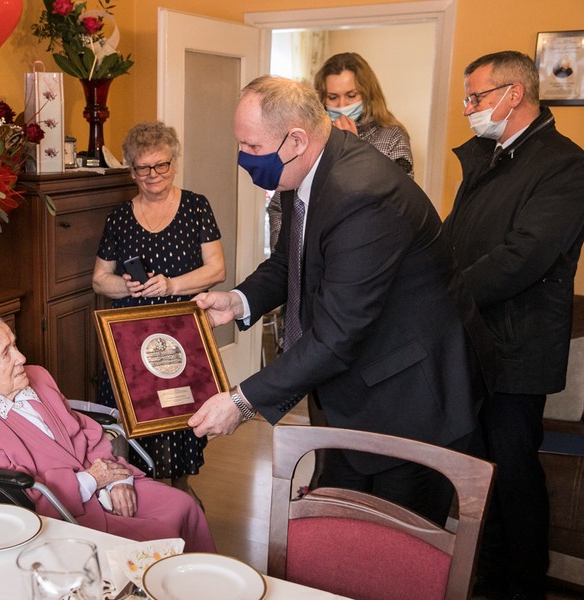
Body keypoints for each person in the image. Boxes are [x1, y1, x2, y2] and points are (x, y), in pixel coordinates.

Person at [188, 75, 497, 525]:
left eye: (251, 147)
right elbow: (291, 262)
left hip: (409, 400)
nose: (243, 159)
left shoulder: (361, 195)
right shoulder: (310, 170)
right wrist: (238, 301)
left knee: (396, 549)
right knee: (337, 525)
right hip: (352, 392)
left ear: (295, 140)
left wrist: (240, 401)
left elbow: (336, 336)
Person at [443, 51, 584, 600]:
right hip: (475, 339)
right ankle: (486, 573)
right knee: (480, 470)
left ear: (514, 95)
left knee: (513, 472)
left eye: (476, 98)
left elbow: (524, 256)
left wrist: (445, 295)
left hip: (517, 348)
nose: (469, 109)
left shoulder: (565, 165)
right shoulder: (492, 156)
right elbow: (457, 236)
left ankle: (521, 585)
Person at [0, 314, 216, 552]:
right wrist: (91, 480)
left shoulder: (37, 376)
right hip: (61, 508)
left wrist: (117, 479)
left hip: (101, 482)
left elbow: (85, 431)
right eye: (6, 352)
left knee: (184, 505)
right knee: (158, 537)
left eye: (14, 345)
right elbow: (15, 488)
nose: (21, 357)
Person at [91, 121, 225, 497]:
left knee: (179, 414)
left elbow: (217, 269)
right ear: (131, 170)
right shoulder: (119, 217)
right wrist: (127, 285)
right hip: (131, 335)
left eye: (161, 165)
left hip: (182, 333)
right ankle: (138, 492)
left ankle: (180, 491)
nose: (153, 176)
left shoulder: (196, 206)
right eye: (142, 168)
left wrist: (171, 285)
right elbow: (99, 279)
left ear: (174, 162)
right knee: (133, 413)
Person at [268, 52, 414, 250]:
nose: (343, 105)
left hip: (365, 253)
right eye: (333, 97)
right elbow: (279, 205)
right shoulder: (306, 138)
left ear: (368, 94)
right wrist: (286, 256)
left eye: (351, 96)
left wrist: (351, 148)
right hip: (310, 254)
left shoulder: (392, 137)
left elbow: (399, 207)